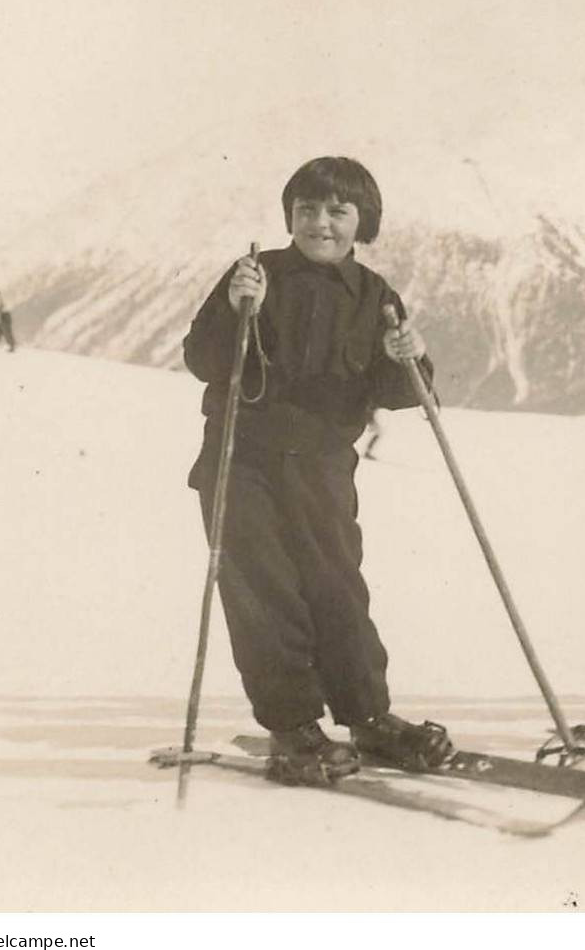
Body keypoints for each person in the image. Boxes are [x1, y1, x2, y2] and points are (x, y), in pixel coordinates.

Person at [182, 156, 454, 784]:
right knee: (265, 594)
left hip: (325, 468)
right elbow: (203, 358)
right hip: (242, 464)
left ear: (364, 222)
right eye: (306, 209)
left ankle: (368, 716)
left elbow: (400, 388)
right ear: (289, 216)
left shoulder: (376, 296)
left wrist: (411, 356)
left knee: (338, 589)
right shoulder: (256, 274)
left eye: (337, 211)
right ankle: (293, 727)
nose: (320, 222)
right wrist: (233, 306)